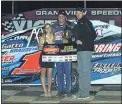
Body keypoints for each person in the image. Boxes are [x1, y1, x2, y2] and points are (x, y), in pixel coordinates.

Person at [72, 7, 97, 99]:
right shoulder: (78, 23)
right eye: (76, 13)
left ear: (83, 13)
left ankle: (86, 93)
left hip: (86, 49)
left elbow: (93, 35)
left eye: (79, 13)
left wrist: (83, 41)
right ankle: (81, 90)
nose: (78, 14)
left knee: (85, 71)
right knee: (80, 71)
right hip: (80, 50)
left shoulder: (86, 22)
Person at [52, 10, 74, 97]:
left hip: (67, 51)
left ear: (65, 17)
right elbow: (49, 39)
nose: (60, 18)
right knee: (59, 72)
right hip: (57, 52)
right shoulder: (53, 27)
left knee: (68, 72)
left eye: (62, 16)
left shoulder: (70, 26)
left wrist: (70, 40)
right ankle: (61, 90)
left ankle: (68, 91)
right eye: (59, 16)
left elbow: (74, 38)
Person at [38, 23, 55, 97]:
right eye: (46, 28)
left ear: (51, 28)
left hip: (51, 57)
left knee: (50, 74)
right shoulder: (42, 37)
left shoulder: (54, 37)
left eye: (49, 27)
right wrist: (42, 47)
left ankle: (49, 90)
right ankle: (45, 91)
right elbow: (39, 47)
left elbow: (57, 47)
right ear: (44, 29)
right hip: (44, 57)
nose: (48, 29)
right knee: (43, 74)